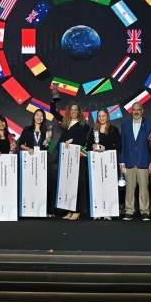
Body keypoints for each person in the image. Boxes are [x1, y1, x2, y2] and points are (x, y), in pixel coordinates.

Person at [50, 89, 90, 221]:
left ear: (79, 111)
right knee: (67, 184)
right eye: (71, 110)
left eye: (75, 110)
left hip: (78, 158)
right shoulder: (65, 122)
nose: (73, 112)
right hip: (65, 157)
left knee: (77, 184)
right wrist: (54, 99)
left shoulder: (84, 125)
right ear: (69, 111)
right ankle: (68, 210)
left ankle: (77, 211)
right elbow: (53, 111)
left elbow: (84, 141)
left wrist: (73, 140)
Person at [119, 102, 151, 221]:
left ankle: (145, 211)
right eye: (134, 110)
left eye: (138, 110)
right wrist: (121, 162)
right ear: (131, 111)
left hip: (143, 161)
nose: (136, 112)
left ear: (142, 111)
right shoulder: (125, 125)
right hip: (129, 161)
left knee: (144, 188)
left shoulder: (150, 124)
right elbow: (122, 144)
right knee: (129, 188)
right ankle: (129, 211)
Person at [86, 108, 122, 220]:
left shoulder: (114, 130)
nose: (101, 118)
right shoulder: (93, 130)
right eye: (99, 116)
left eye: (103, 116)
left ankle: (108, 211)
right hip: (96, 163)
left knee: (109, 187)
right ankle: (97, 211)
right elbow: (88, 146)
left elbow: (119, 146)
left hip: (109, 163)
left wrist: (105, 148)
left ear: (107, 116)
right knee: (97, 186)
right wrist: (92, 146)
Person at [19, 109, 55, 216]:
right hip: (30, 161)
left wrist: (48, 138)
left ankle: (43, 210)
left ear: (44, 118)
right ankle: (28, 209)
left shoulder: (46, 131)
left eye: (41, 116)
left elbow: (47, 148)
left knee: (42, 185)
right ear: (34, 116)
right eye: (37, 115)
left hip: (42, 162)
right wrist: (28, 149)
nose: (39, 117)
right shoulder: (27, 129)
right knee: (29, 184)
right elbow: (20, 144)